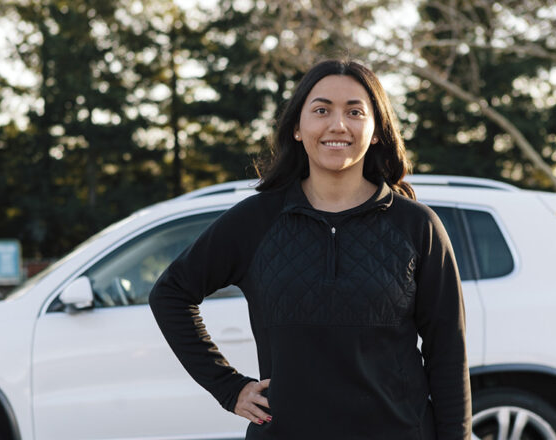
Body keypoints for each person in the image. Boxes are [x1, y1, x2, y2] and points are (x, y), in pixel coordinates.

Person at [149, 59, 471, 439]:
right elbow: (170, 294)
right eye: (321, 110)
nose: (338, 125)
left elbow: (447, 353)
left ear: (377, 131)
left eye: (355, 111)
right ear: (298, 129)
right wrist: (228, 387)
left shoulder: (417, 226)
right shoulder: (257, 220)